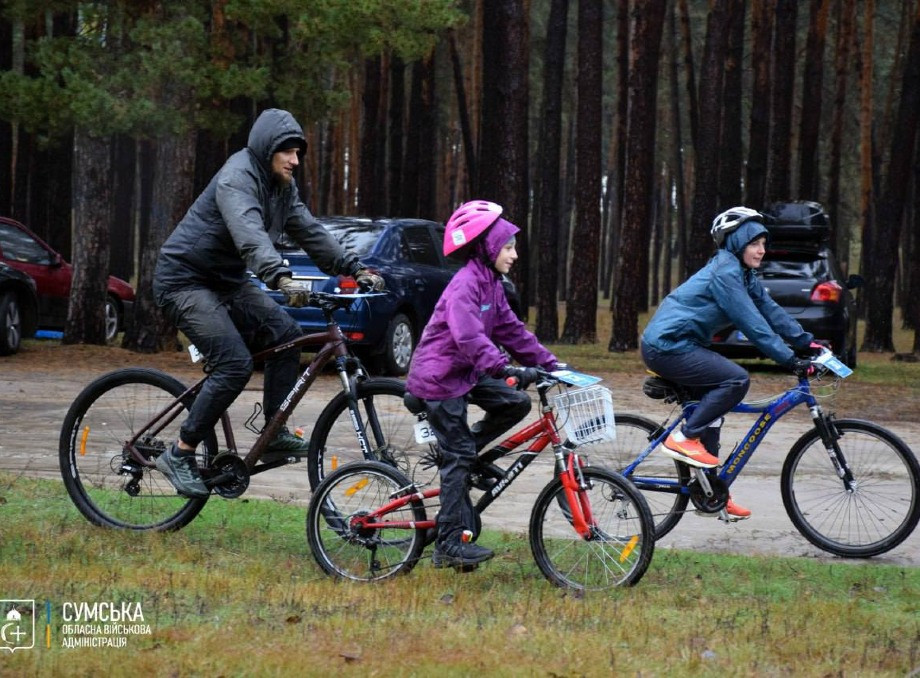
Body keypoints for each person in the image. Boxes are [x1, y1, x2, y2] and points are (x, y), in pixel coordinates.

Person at [152, 108, 384, 498]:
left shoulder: (281, 187)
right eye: (289, 152)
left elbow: (311, 232)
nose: (296, 161)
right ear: (267, 149)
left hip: (226, 281)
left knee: (286, 336)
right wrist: (278, 276)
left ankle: (273, 433)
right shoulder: (237, 177)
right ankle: (180, 452)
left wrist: (354, 267)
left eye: (299, 153)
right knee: (235, 363)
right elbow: (248, 233)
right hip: (184, 280)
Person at [406, 200, 561, 569]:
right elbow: (468, 337)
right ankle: (447, 545)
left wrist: (551, 363)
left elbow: (512, 331)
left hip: (465, 376)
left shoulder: (490, 283)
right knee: (458, 456)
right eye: (508, 246)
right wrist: (503, 367)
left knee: (515, 403)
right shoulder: (465, 285)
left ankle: (464, 454)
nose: (515, 254)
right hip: (439, 381)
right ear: (488, 247)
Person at [640, 206, 817, 519]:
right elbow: (751, 322)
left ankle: (712, 493)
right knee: (735, 379)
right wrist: (789, 359)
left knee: (714, 416)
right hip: (667, 347)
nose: (762, 250)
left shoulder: (742, 272)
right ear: (737, 243)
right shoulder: (726, 273)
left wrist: (807, 343)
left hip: (683, 345)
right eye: (754, 243)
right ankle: (683, 437)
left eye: (764, 243)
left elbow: (769, 309)